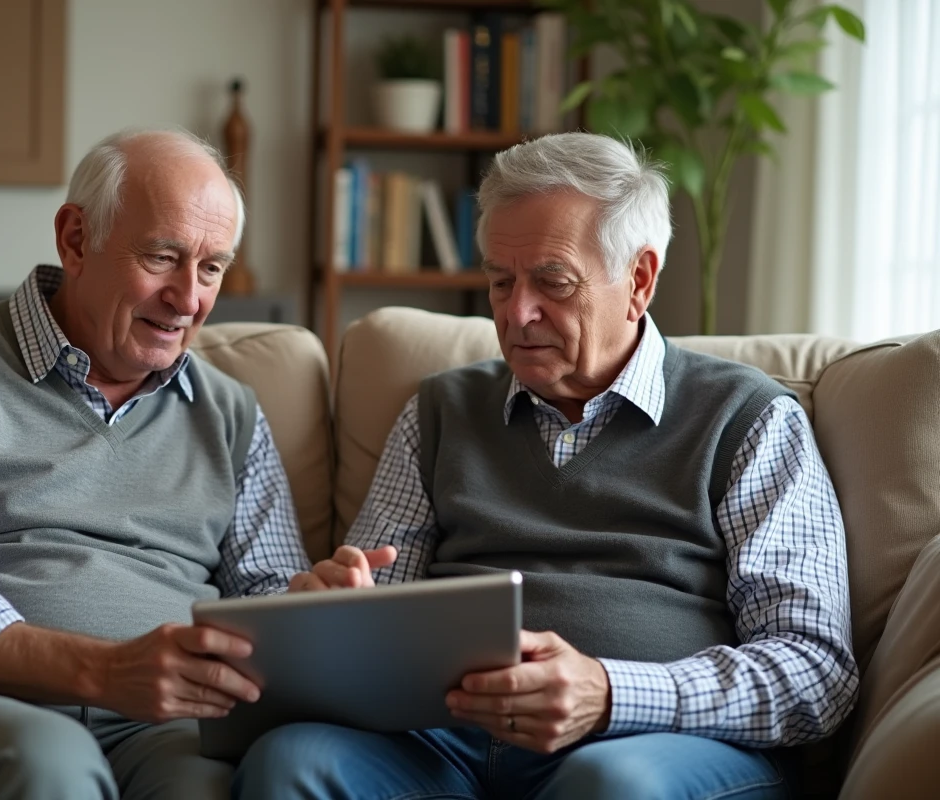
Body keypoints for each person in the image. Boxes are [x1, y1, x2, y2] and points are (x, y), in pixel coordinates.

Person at [234, 132, 858, 799]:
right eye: (501, 282)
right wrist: (334, 621)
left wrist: (612, 692)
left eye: (552, 283)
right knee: (293, 760)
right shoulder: (441, 411)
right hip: (446, 744)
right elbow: (375, 608)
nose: (517, 313)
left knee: (610, 785)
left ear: (639, 280)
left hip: (655, 746)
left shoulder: (749, 418)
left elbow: (814, 670)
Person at [0, 129, 311, 800]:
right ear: (76, 239)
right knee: (47, 765)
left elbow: (266, 598)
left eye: (211, 268)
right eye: (163, 256)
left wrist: (313, 612)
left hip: (166, 726)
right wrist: (107, 671)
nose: (188, 297)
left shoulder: (231, 415)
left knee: (210, 785)